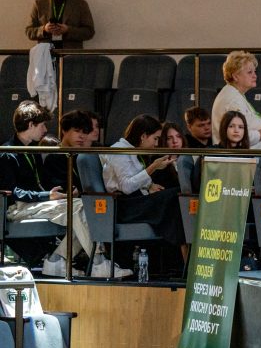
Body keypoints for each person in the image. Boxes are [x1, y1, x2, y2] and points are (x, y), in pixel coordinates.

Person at [0, 101, 99, 277]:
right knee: (78, 207)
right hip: (16, 208)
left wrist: (59, 195)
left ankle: (57, 260)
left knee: (84, 207)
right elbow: (12, 191)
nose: (45, 130)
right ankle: (98, 261)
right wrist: (48, 195)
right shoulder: (8, 153)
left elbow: (38, 185)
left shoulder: (32, 151)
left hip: (35, 204)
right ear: (31, 124)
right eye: (42, 125)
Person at [100, 114, 187, 268]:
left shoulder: (132, 151)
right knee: (175, 196)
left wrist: (149, 185)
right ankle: (181, 258)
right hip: (124, 206)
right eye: (155, 138)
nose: (156, 143)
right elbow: (126, 186)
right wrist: (153, 167)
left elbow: (137, 178)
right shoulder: (119, 151)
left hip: (137, 200)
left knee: (177, 196)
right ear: (143, 136)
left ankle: (178, 258)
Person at [211, 51, 261, 147]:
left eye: (255, 71)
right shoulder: (232, 100)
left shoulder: (236, 94)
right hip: (239, 158)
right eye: (250, 72)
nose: (255, 75)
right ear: (235, 76)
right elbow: (236, 135)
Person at [25, 0, 95, 50]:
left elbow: (89, 32)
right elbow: (28, 31)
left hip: (71, 55)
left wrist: (68, 30)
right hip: (45, 55)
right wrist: (44, 29)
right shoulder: (39, 4)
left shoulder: (80, 4)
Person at [151, 122, 185, 191]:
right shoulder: (157, 161)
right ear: (163, 140)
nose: (175, 141)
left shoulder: (189, 159)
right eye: (169, 138)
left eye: (178, 136)